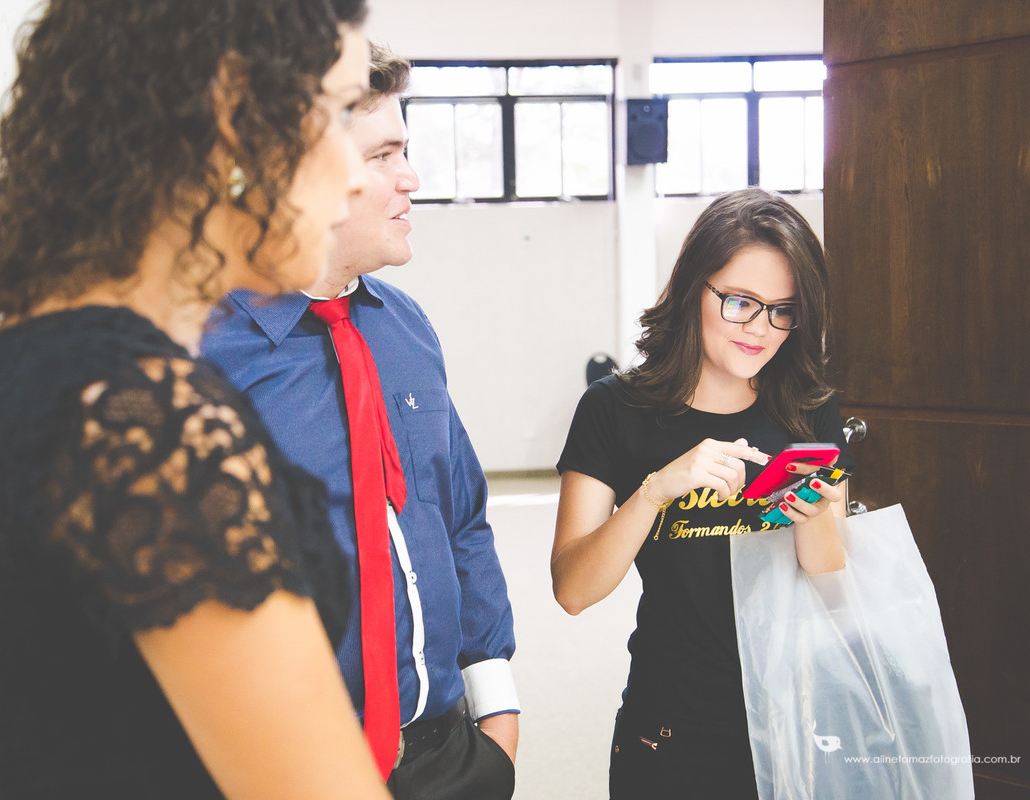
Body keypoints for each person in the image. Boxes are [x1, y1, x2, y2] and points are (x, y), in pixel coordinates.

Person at [0, 2, 393, 798]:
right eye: (338, 112)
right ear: (235, 115)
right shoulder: (148, 421)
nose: (355, 173)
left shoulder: (30, 371)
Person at [201, 43, 519, 800]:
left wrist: (497, 719)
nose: (411, 177)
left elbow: (461, 516)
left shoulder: (405, 328)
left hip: (447, 755)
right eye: (385, 154)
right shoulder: (196, 359)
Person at [550, 187, 855, 797]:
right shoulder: (614, 409)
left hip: (792, 717)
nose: (761, 329)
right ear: (694, 287)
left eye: (782, 310)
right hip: (670, 723)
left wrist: (814, 513)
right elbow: (573, 590)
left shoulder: (808, 411)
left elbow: (832, 584)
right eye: (740, 302)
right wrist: (656, 490)